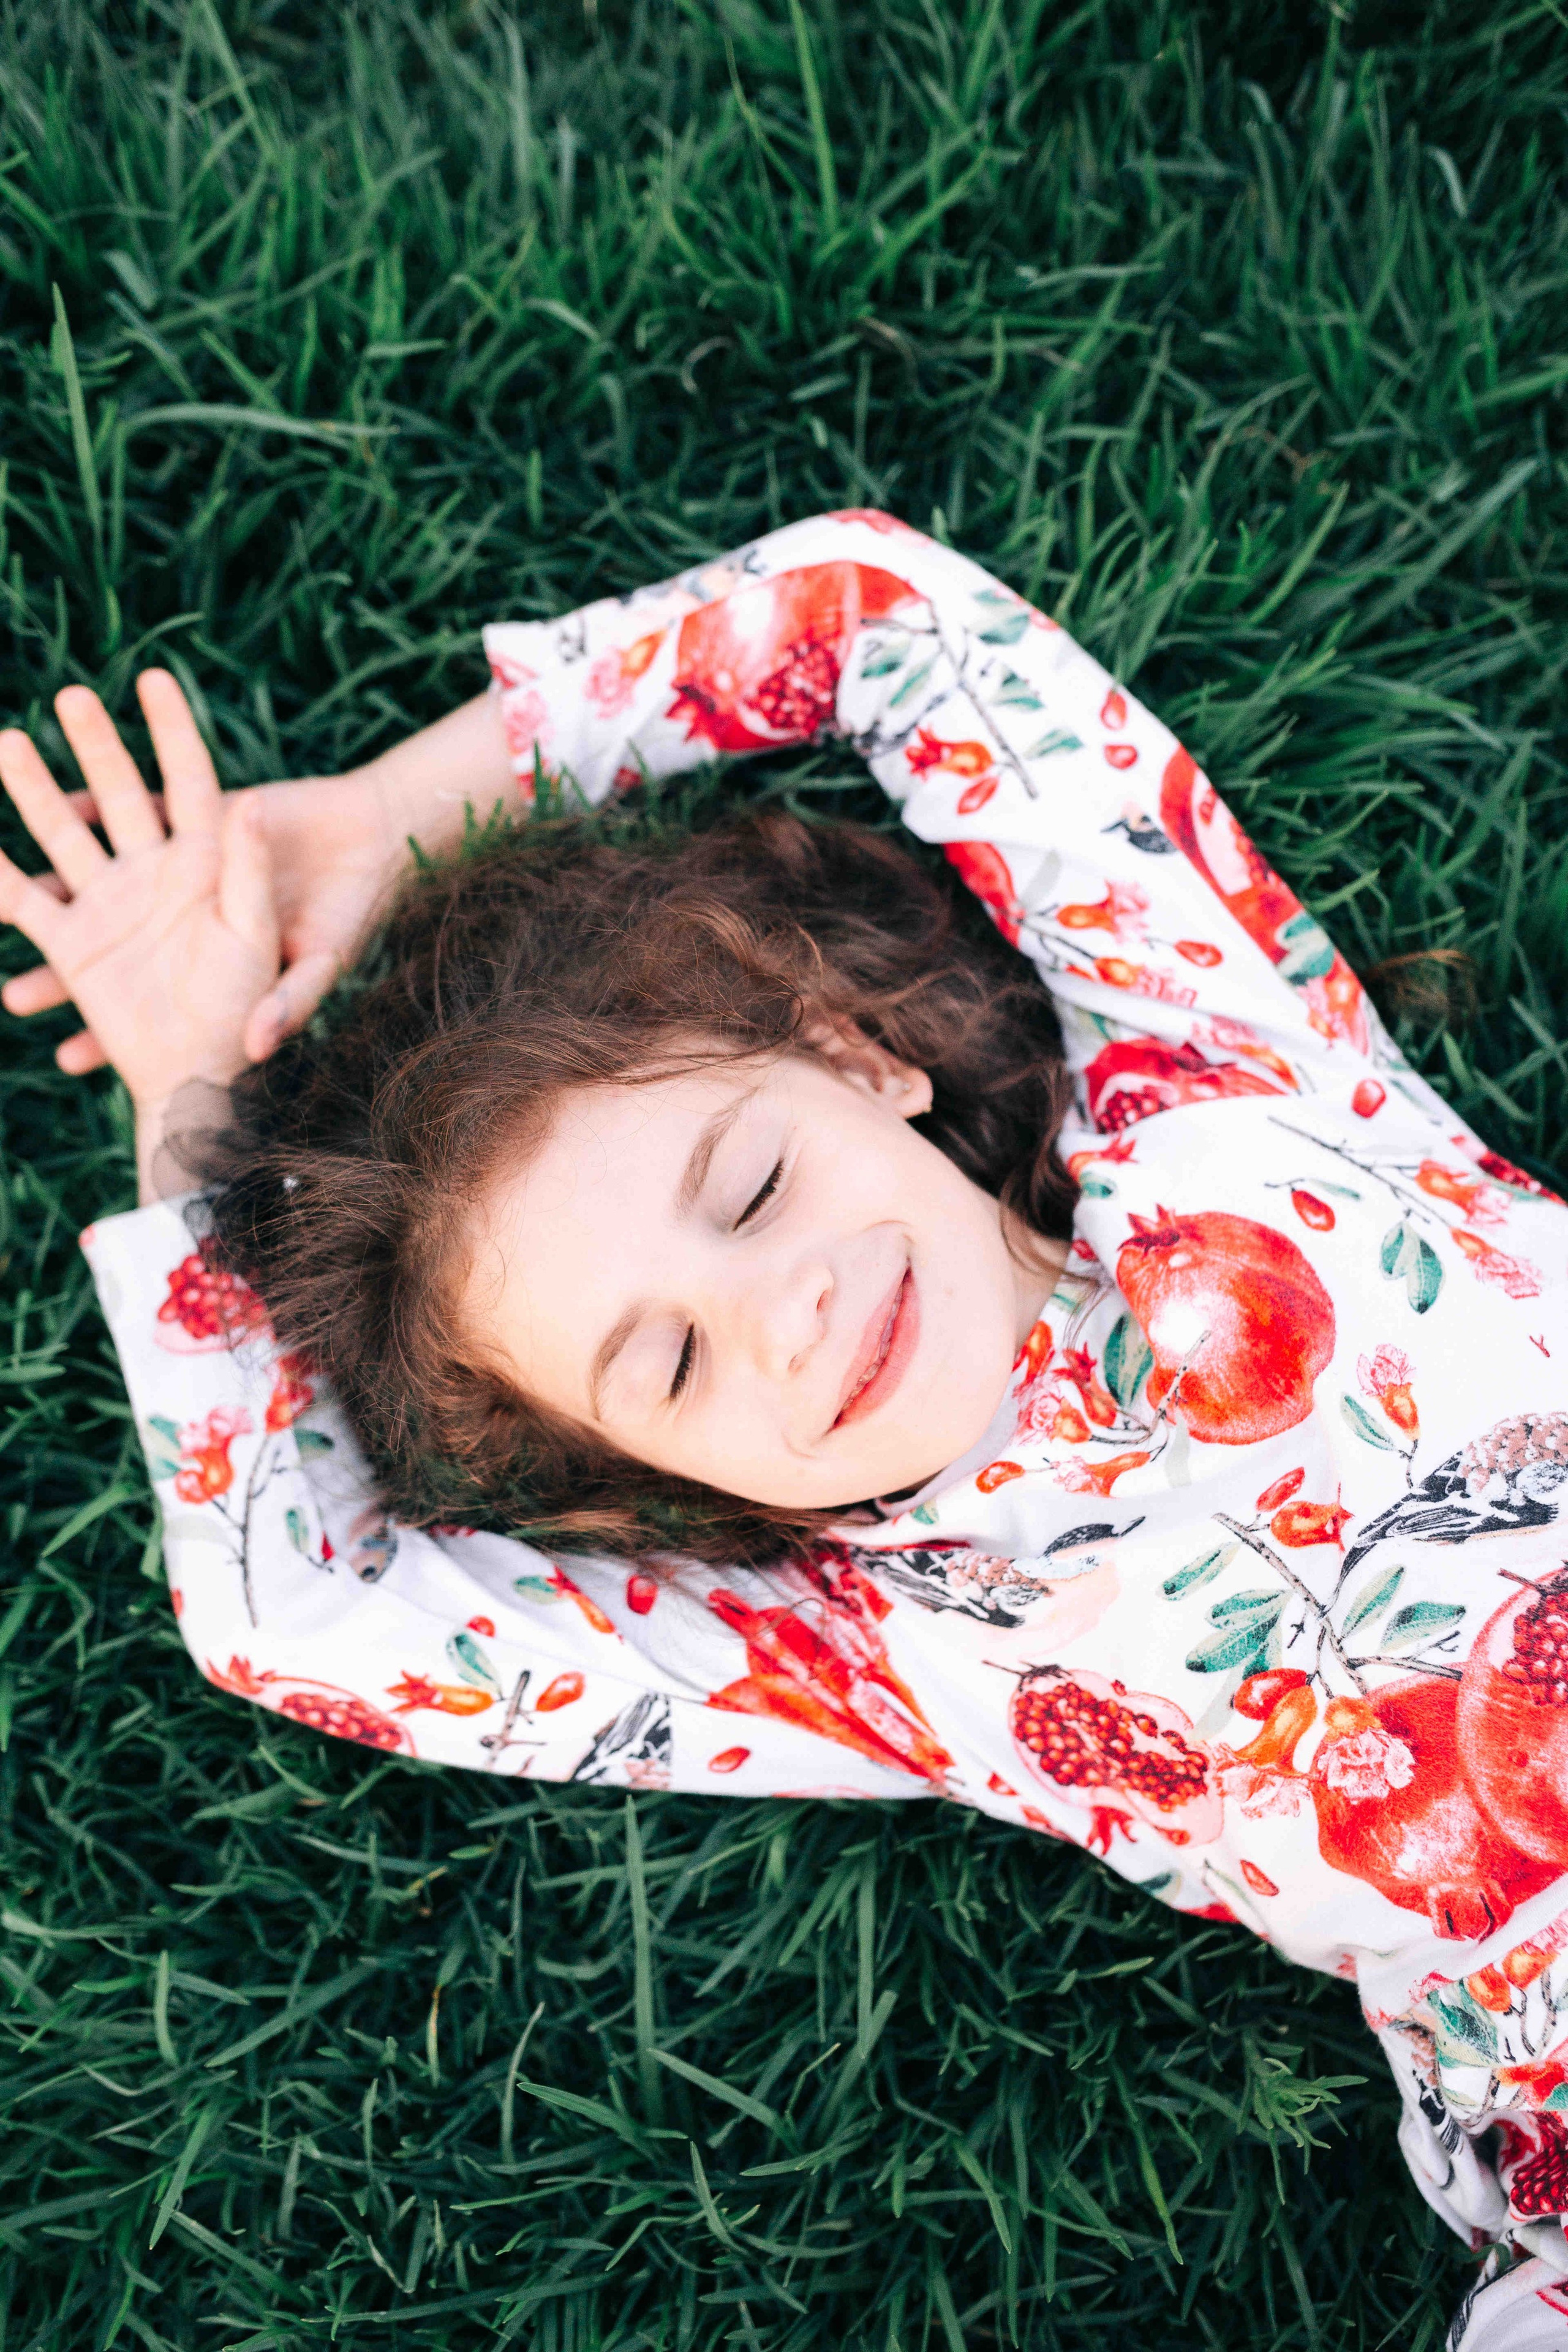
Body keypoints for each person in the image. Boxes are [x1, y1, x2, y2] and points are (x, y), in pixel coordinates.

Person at [4, 511, 1567, 2348]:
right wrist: (198, 1088)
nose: (782, 1310)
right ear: (663, 1486)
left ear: (856, 1055)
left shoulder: (1226, 1077)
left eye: (747, 1187)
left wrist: (391, 809)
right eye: (667, 1372)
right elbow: (296, 1602)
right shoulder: (849, 1648)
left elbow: (880, 615)